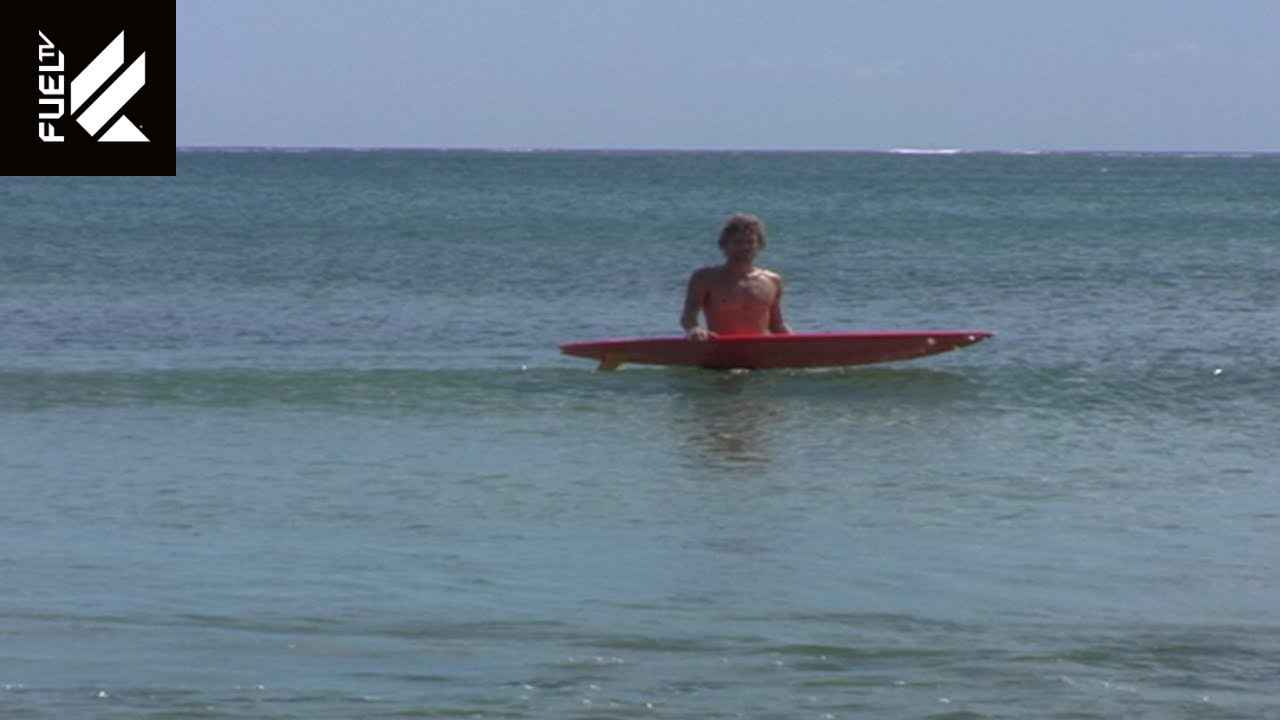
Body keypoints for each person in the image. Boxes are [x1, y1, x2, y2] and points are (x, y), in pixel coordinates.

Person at [680, 213, 792, 341]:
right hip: (719, 352)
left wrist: (801, 349)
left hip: (759, 355)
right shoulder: (705, 278)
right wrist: (694, 329)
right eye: (738, 242)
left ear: (759, 245)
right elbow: (688, 316)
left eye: (750, 242)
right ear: (725, 245)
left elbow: (777, 326)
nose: (745, 247)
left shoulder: (772, 281)